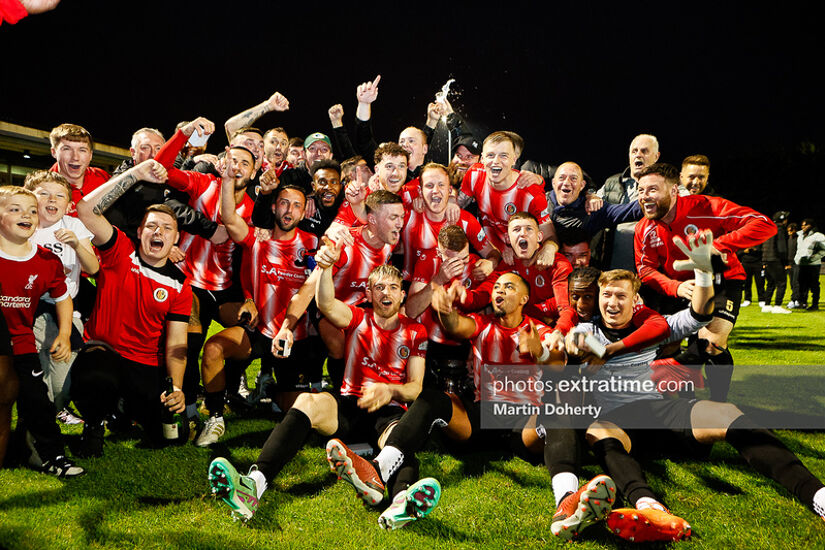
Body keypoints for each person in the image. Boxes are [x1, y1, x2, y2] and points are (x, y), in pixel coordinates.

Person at [566, 246, 825, 540]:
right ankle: (649, 506)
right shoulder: (586, 329)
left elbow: (698, 314)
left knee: (726, 413)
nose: (612, 302)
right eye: (606, 295)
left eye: (620, 296)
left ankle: (817, 494)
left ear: (635, 300)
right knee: (598, 431)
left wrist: (703, 275)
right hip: (618, 421)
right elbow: (576, 342)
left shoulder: (656, 325)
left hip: (659, 410)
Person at [326, 270, 564, 529]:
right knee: (432, 397)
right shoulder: (483, 324)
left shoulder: (539, 329)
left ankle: (566, 499)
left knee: (560, 414)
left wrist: (538, 349)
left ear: (524, 299)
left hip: (523, 422)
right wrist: (446, 310)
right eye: (496, 287)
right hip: (483, 416)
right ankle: (378, 469)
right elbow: (456, 326)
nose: (499, 291)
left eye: (508, 287)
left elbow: (559, 364)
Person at [207, 263, 430, 525]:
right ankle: (253, 486)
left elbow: (415, 387)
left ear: (402, 294)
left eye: (393, 287)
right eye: (379, 287)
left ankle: (401, 500)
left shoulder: (416, 331)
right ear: (369, 294)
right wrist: (324, 266)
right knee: (305, 401)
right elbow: (325, 303)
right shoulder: (358, 317)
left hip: (389, 410)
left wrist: (390, 390)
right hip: (349, 404)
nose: (386, 293)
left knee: (397, 438)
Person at [71, 160, 191, 457]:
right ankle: (94, 423)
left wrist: (176, 387)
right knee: (97, 378)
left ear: (176, 239)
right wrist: (136, 174)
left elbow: (177, 343)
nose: (157, 232)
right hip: (104, 352)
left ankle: (122, 410)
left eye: (166, 228)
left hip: (144, 365)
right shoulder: (120, 251)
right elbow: (86, 211)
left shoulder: (180, 285)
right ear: (140, 233)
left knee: (172, 435)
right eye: (151, 226)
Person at [634, 162, 776, 402]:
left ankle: (718, 403)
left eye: (652, 190)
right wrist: (675, 286)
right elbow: (645, 268)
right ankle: (676, 405)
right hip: (682, 288)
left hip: (722, 279)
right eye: (640, 190)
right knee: (667, 346)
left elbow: (764, 224)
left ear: (673, 191)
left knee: (711, 341)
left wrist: (716, 246)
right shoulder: (644, 228)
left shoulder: (707, 206)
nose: (644, 196)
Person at [0, 185, 83, 477]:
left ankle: (51, 455)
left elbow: (63, 298)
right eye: (15, 209)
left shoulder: (47, 260)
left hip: (22, 343)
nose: (27, 215)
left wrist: (63, 333)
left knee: (38, 401)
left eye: (32, 211)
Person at [24, 171, 99, 420]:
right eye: (43, 193)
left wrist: (77, 245)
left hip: (67, 312)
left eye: (59, 195)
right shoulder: (25, 227)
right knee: (34, 379)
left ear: (68, 205)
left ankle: (53, 413)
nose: (51, 199)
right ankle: (36, 431)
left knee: (61, 386)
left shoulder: (74, 226)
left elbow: (92, 268)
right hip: (30, 312)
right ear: (30, 199)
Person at [457, 131, 558, 262]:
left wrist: (549, 249)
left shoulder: (531, 193)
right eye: (490, 155)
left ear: (514, 160)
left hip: (522, 257)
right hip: (490, 255)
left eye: (503, 156)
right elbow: (456, 206)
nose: (496, 161)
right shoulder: (474, 175)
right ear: (482, 159)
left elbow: (550, 236)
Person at [399, 163, 500, 280]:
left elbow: (492, 252)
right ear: (421, 192)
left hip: (456, 291)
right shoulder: (407, 217)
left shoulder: (465, 220)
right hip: (415, 289)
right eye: (429, 185)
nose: (435, 190)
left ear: (450, 190)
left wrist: (491, 263)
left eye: (441, 185)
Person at [48, 123, 110, 215]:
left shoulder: (102, 177)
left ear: (91, 155)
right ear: (54, 152)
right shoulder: (40, 188)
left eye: (82, 150)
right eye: (67, 149)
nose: (75, 157)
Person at [761, 211, 791, 313]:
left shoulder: (768, 228)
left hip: (767, 259)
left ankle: (767, 305)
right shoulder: (780, 229)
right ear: (783, 220)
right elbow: (782, 248)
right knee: (782, 283)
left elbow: (764, 246)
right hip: (776, 259)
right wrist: (786, 262)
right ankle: (778, 305)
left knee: (770, 283)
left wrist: (764, 260)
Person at [795, 218, 825, 310]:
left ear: (811, 226)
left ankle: (815, 304)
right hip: (802, 264)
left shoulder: (818, 236)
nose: (803, 226)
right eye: (802, 225)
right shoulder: (800, 235)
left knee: (814, 285)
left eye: (806, 225)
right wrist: (797, 259)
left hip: (813, 265)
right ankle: (803, 303)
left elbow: (823, 250)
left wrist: (813, 258)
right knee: (802, 284)